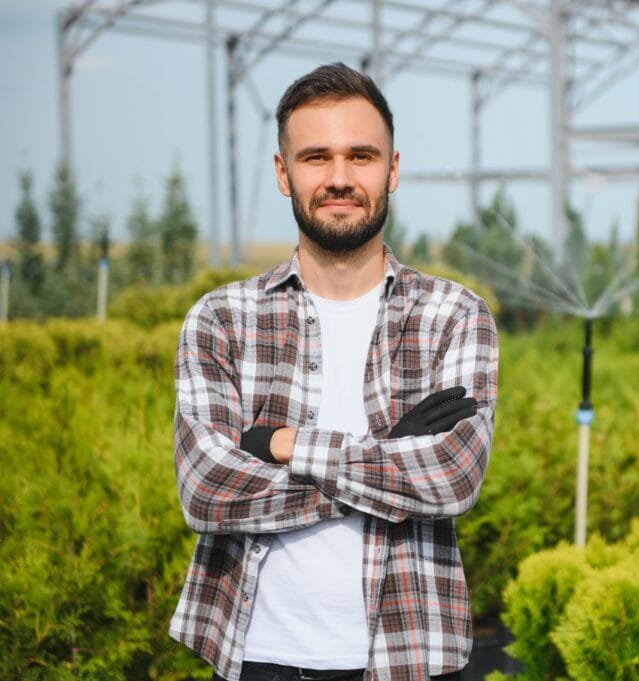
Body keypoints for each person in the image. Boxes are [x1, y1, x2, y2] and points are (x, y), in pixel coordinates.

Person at [169, 62, 498, 681]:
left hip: (409, 656)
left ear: (392, 170)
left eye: (361, 156)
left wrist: (280, 444)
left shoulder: (453, 315)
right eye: (316, 157)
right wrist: (389, 455)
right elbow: (206, 490)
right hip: (257, 659)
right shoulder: (222, 319)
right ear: (283, 172)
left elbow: (452, 479)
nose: (340, 178)